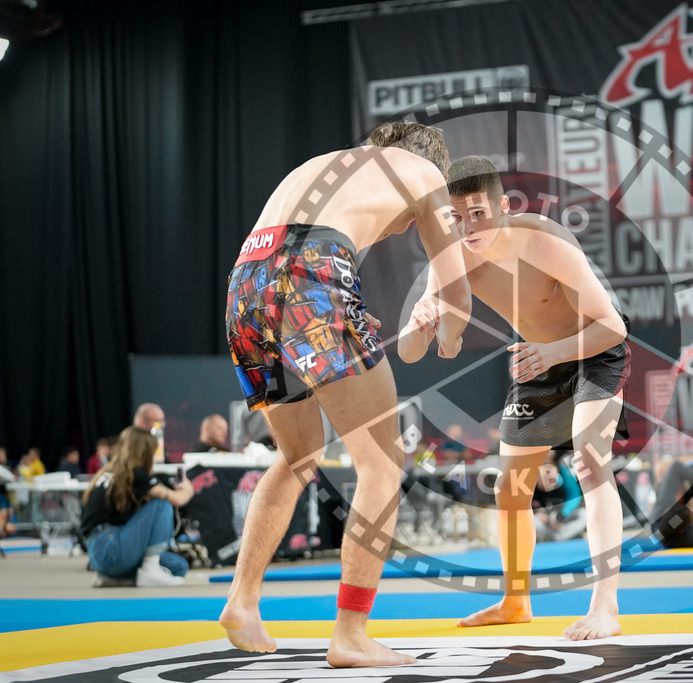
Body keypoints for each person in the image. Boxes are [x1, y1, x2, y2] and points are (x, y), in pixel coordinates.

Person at [219, 121, 471, 668]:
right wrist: (446, 333)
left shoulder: (328, 164)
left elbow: (284, 265)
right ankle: (351, 633)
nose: (399, 229)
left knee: (298, 455)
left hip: (246, 283)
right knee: (382, 462)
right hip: (311, 273)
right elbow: (457, 290)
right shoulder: (425, 172)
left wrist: (335, 316)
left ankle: (242, 599)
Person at [399, 155, 629, 640]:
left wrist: (554, 353)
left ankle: (604, 607)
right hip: (537, 363)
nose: (468, 226)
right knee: (509, 489)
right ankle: (514, 601)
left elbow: (613, 328)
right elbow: (431, 349)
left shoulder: (543, 240)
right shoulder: (452, 261)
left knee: (590, 461)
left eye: (478, 213)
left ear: (502, 206)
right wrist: (423, 319)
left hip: (591, 351)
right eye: (456, 217)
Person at [80, 426, 193, 587]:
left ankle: (115, 578)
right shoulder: (135, 474)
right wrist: (188, 489)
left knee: (179, 566)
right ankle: (150, 570)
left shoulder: (109, 473)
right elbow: (177, 499)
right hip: (111, 548)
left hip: (99, 553)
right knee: (161, 505)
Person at [533, 452, 587, 543]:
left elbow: (574, 493)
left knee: (584, 515)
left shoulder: (562, 470)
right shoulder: (531, 475)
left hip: (562, 519)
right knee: (532, 520)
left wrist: (562, 514)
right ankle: (551, 538)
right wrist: (539, 512)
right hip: (545, 523)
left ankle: (558, 538)